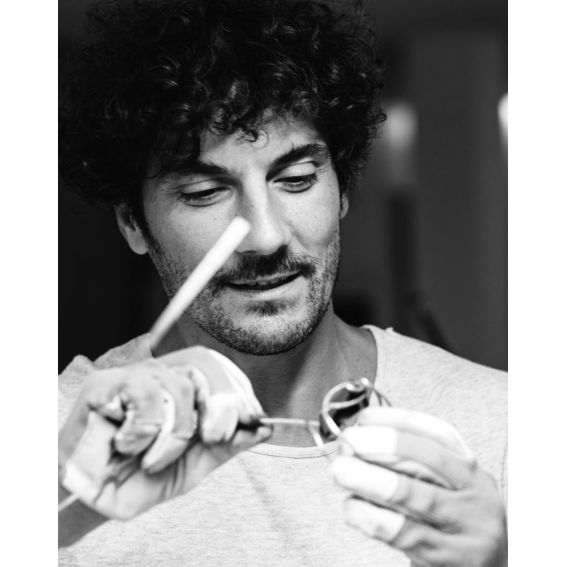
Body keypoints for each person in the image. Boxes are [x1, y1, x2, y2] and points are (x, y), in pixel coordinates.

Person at [58, 0, 507, 565]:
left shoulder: (502, 427)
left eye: (296, 179)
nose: (265, 236)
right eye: (204, 193)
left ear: (342, 191)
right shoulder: (55, 446)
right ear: (132, 223)